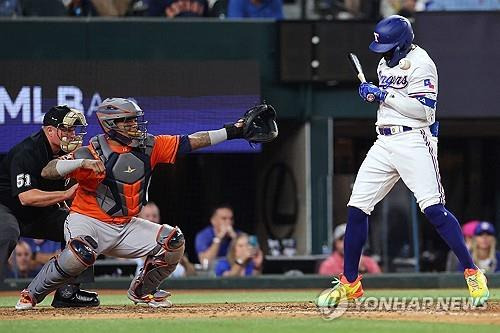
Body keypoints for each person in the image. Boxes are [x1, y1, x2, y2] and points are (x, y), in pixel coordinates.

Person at [15, 98, 276, 310]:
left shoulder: (149, 146)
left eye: (134, 119)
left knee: (173, 241)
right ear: (111, 124)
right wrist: (80, 163)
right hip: (87, 221)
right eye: (127, 120)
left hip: (125, 225)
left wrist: (235, 130)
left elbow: (193, 141)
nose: (134, 125)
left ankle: (143, 291)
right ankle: (32, 293)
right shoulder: (91, 151)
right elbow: (49, 170)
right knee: (82, 253)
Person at [325, 15, 489, 306]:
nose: (383, 51)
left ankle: (472, 271)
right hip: (384, 140)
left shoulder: (422, 63)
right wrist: (371, 94)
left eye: (388, 45)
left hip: (414, 139)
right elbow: (387, 99)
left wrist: (383, 94)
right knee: (357, 208)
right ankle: (350, 282)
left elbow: (425, 112)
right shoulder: (382, 62)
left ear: (402, 42)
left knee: (434, 209)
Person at [0, 105, 99, 308]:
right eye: (67, 129)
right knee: (7, 232)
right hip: (7, 207)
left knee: (80, 227)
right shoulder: (27, 151)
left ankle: (68, 292)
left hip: (38, 213)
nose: (72, 134)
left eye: (73, 130)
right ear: (50, 130)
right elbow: (26, 197)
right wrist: (64, 195)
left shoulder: (70, 153)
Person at [134, 202, 196, 277]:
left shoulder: (168, 244)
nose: (151, 219)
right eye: (147, 216)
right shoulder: (128, 240)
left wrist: (185, 263)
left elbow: (190, 275)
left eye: (154, 216)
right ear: (139, 219)